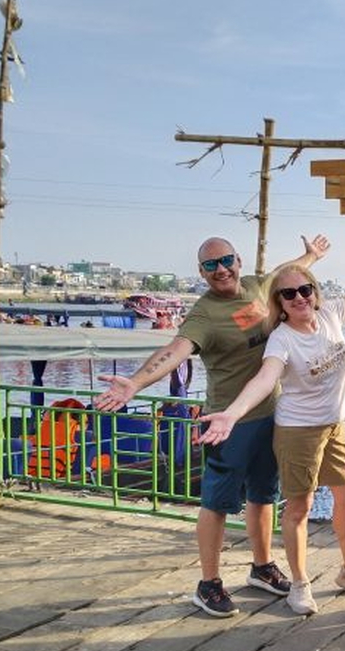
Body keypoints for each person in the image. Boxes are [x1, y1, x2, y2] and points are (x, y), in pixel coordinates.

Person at [94, 234, 330, 618]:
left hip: (272, 414)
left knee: (263, 496)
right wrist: (135, 383)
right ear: (201, 273)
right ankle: (208, 583)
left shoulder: (256, 287)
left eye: (226, 261)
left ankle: (262, 566)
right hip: (227, 422)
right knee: (216, 504)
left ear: (238, 261)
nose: (220, 270)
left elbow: (287, 276)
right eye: (210, 265)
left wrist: (311, 255)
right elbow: (175, 351)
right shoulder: (204, 314)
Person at [198, 237, 345, 616]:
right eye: (289, 294)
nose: (299, 297)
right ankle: (300, 583)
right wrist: (232, 413)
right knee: (299, 507)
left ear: (315, 292)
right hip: (297, 431)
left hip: (336, 425)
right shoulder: (282, 339)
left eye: (305, 289)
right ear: (280, 303)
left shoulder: (333, 313)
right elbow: (264, 380)